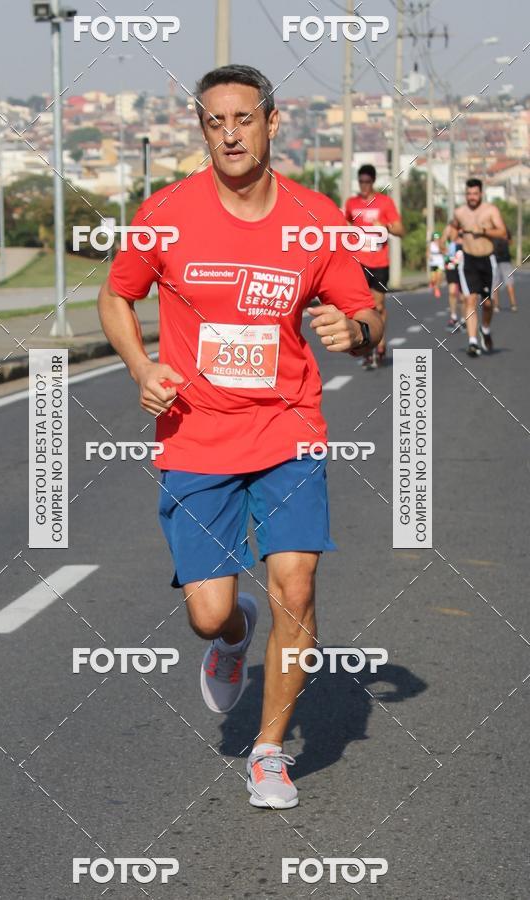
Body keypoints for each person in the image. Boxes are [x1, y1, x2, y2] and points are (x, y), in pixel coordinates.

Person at [98, 65, 383, 809]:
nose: (230, 133)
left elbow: (371, 316)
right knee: (208, 612)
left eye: (244, 119)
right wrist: (140, 365)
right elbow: (116, 294)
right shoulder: (165, 212)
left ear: (272, 122)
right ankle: (232, 639)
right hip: (196, 434)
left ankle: (267, 753)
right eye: (215, 121)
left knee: (297, 583)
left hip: (288, 427)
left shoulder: (313, 217)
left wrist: (353, 331)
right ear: (202, 129)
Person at [344, 164, 404, 369]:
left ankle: (380, 340)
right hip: (358, 263)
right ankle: (368, 348)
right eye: (361, 181)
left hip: (379, 262)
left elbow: (400, 230)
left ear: (373, 182)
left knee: (378, 307)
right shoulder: (351, 203)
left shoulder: (385, 203)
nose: (364, 186)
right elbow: (343, 225)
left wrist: (385, 226)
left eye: (368, 182)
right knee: (361, 308)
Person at [447, 178, 507, 357]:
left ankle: (485, 330)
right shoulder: (459, 212)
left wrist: (484, 231)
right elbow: (452, 230)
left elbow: (502, 232)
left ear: (481, 193)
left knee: (488, 303)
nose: (471, 197)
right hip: (468, 261)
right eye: (468, 194)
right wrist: (453, 236)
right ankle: (472, 342)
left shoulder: (490, 211)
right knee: (470, 300)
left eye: (475, 194)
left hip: (487, 261)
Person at [439, 227, 464, 330]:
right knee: (452, 292)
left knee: (464, 296)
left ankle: (464, 319)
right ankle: (453, 317)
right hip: (451, 263)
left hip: (465, 263)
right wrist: (445, 251)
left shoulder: (466, 226)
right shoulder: (449, 229)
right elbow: (441, 243)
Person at [492, 226, 518, 312]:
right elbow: (510, 242)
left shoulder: (491, 230)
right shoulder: (505, 230)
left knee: (495, 284)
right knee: (509, 282)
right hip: (506, 260)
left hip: (494, 260)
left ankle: (496, 306)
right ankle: (513, 305)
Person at [427, 232, 444, 299]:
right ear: (433, 238)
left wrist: (440, 247)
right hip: (433, 262)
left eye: (437, 238)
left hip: (440, 262)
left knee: (439, 277)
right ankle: (432, 282)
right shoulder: (430, 244)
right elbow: (427, 252)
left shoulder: (441, 244)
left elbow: (444, 251)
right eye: (435, 238)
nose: (436, 239)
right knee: (434, 278)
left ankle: (437, 289)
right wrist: (429, 257)